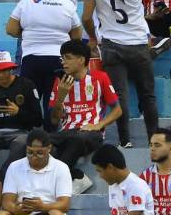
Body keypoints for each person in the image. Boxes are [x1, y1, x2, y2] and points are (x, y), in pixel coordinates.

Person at [82, 0, 165, 147]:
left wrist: (93, 38)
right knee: (148, 96)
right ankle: (153, 140)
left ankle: (125, 140)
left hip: (111, 45)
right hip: (137, 44)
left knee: (119, 96)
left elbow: (86, 18)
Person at [8, 0, 83, 125]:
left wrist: (29, 33)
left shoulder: (26, 2)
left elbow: (11, 29)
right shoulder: (67, 5)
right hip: (58, 61)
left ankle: (30, 139)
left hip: (31, 60)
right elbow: (76, 36)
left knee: (29, 105)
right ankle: (52, 141)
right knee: (53, 104)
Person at [47, 40, 122, 194]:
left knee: (76, 139)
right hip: (66, 132)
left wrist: (98, 125)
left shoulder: (100, 77)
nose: (63, 62)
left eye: (67, 57)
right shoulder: (59, 81)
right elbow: (54, 120)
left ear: (81, 59)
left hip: (91, 133)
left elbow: (118, 110)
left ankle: (57, 186)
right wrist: (60, 98)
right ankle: (77, 177)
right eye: (62, 58)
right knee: (40, 142)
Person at [0, 51, 43, 169]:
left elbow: (38, 120)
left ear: (11, 69)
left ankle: (6, 175)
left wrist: (19, 112)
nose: (0, 75)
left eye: (3, 71)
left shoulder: (26, 85)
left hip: (21, 132)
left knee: (21, 144)